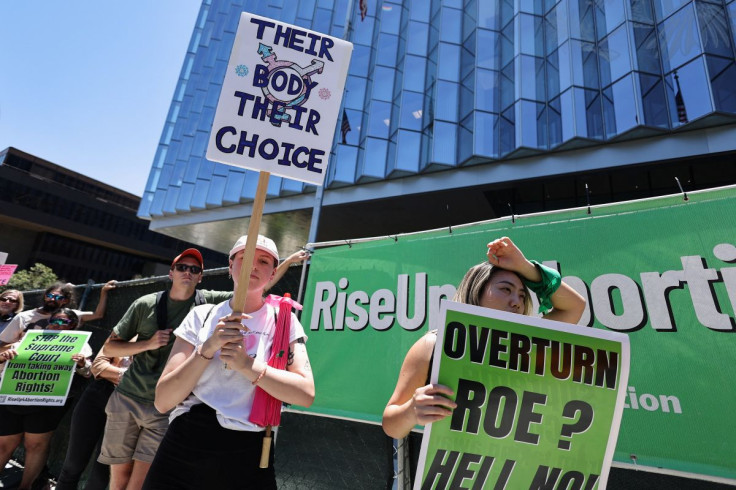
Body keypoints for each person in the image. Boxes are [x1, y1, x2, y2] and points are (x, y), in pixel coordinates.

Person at [143, 235, 314, 490]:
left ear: (273, 273)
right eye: (245, 259)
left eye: (264, 261)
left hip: (248, 446)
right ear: (231, 265)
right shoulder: (202, 315)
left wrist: (247, 365)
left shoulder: (284, 322)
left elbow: (305, 394)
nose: (253, 266)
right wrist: (208, 348)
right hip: (186, 440)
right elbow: (163, 400)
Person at [382, 236, 585, 440]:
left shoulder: (527, 345)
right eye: (506, 289)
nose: (517, 302)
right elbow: (391, 425)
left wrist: (525, 267)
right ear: (476, 291)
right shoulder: (433, 345)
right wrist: (411, 411)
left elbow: (574, 306)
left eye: (522, 296)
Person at [97, 248, 231, 490]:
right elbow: (109, 349)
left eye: (195, 269)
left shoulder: (209, 301)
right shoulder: (145, 304)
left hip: (167, 406)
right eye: (182, 267)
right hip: (127, 398)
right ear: (171, 273)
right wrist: (148, 343)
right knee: (118, 479)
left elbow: (253, 291)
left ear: (201, 277)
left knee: (140, 483)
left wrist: (291, 262)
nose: (188, 272)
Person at [0, 309, 93, 490]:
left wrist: (82, 363)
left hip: (47, 402)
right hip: (13, 397)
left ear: (73, 326)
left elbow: (88, 372)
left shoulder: (80, 344)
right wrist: (4, 357)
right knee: (4, 443)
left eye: (63, 322)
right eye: (54, 321)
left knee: (35, 445)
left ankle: (26, 486)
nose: (57, 326)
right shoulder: (29, 338)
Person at [55, 343, 131, 490]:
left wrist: (111, 370)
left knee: (101, 471)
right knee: (72, 463)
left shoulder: (164, 339)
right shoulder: (128, 330)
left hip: (128, 403)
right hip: (99, 392)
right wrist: (130, 377)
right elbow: (97, 367)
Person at [0, 280, 116, 346]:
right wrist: (21, 346)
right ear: (45, 297)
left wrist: (103, 291)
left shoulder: (70, 315)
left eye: (58, 297)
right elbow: (3, 345)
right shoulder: (23, 317)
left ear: (65, 300)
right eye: (50, 296)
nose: (52, 299)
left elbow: (98, 314)